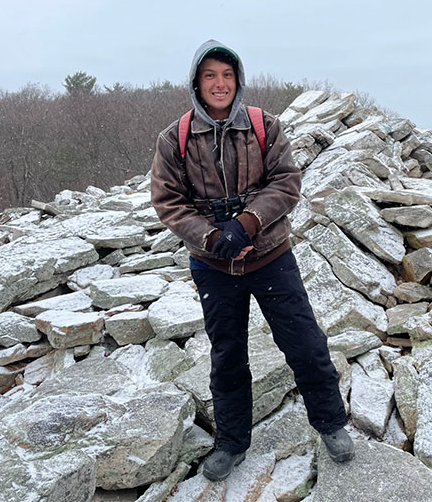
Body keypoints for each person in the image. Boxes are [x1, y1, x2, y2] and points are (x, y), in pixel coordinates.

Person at [150, 39, 353, 481]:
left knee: (305, 344)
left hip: (270, 257)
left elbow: (286, 182)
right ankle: (232, 442)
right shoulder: (175, 138)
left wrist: (247, 223)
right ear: (196, 84)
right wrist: (212, 237)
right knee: (228, 356)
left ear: (238, 80)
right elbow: (168, 201)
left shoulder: (265, 126)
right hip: (213, 265)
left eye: (226, 75)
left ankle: (332, 423)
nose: (219, 84)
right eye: (210, 76)